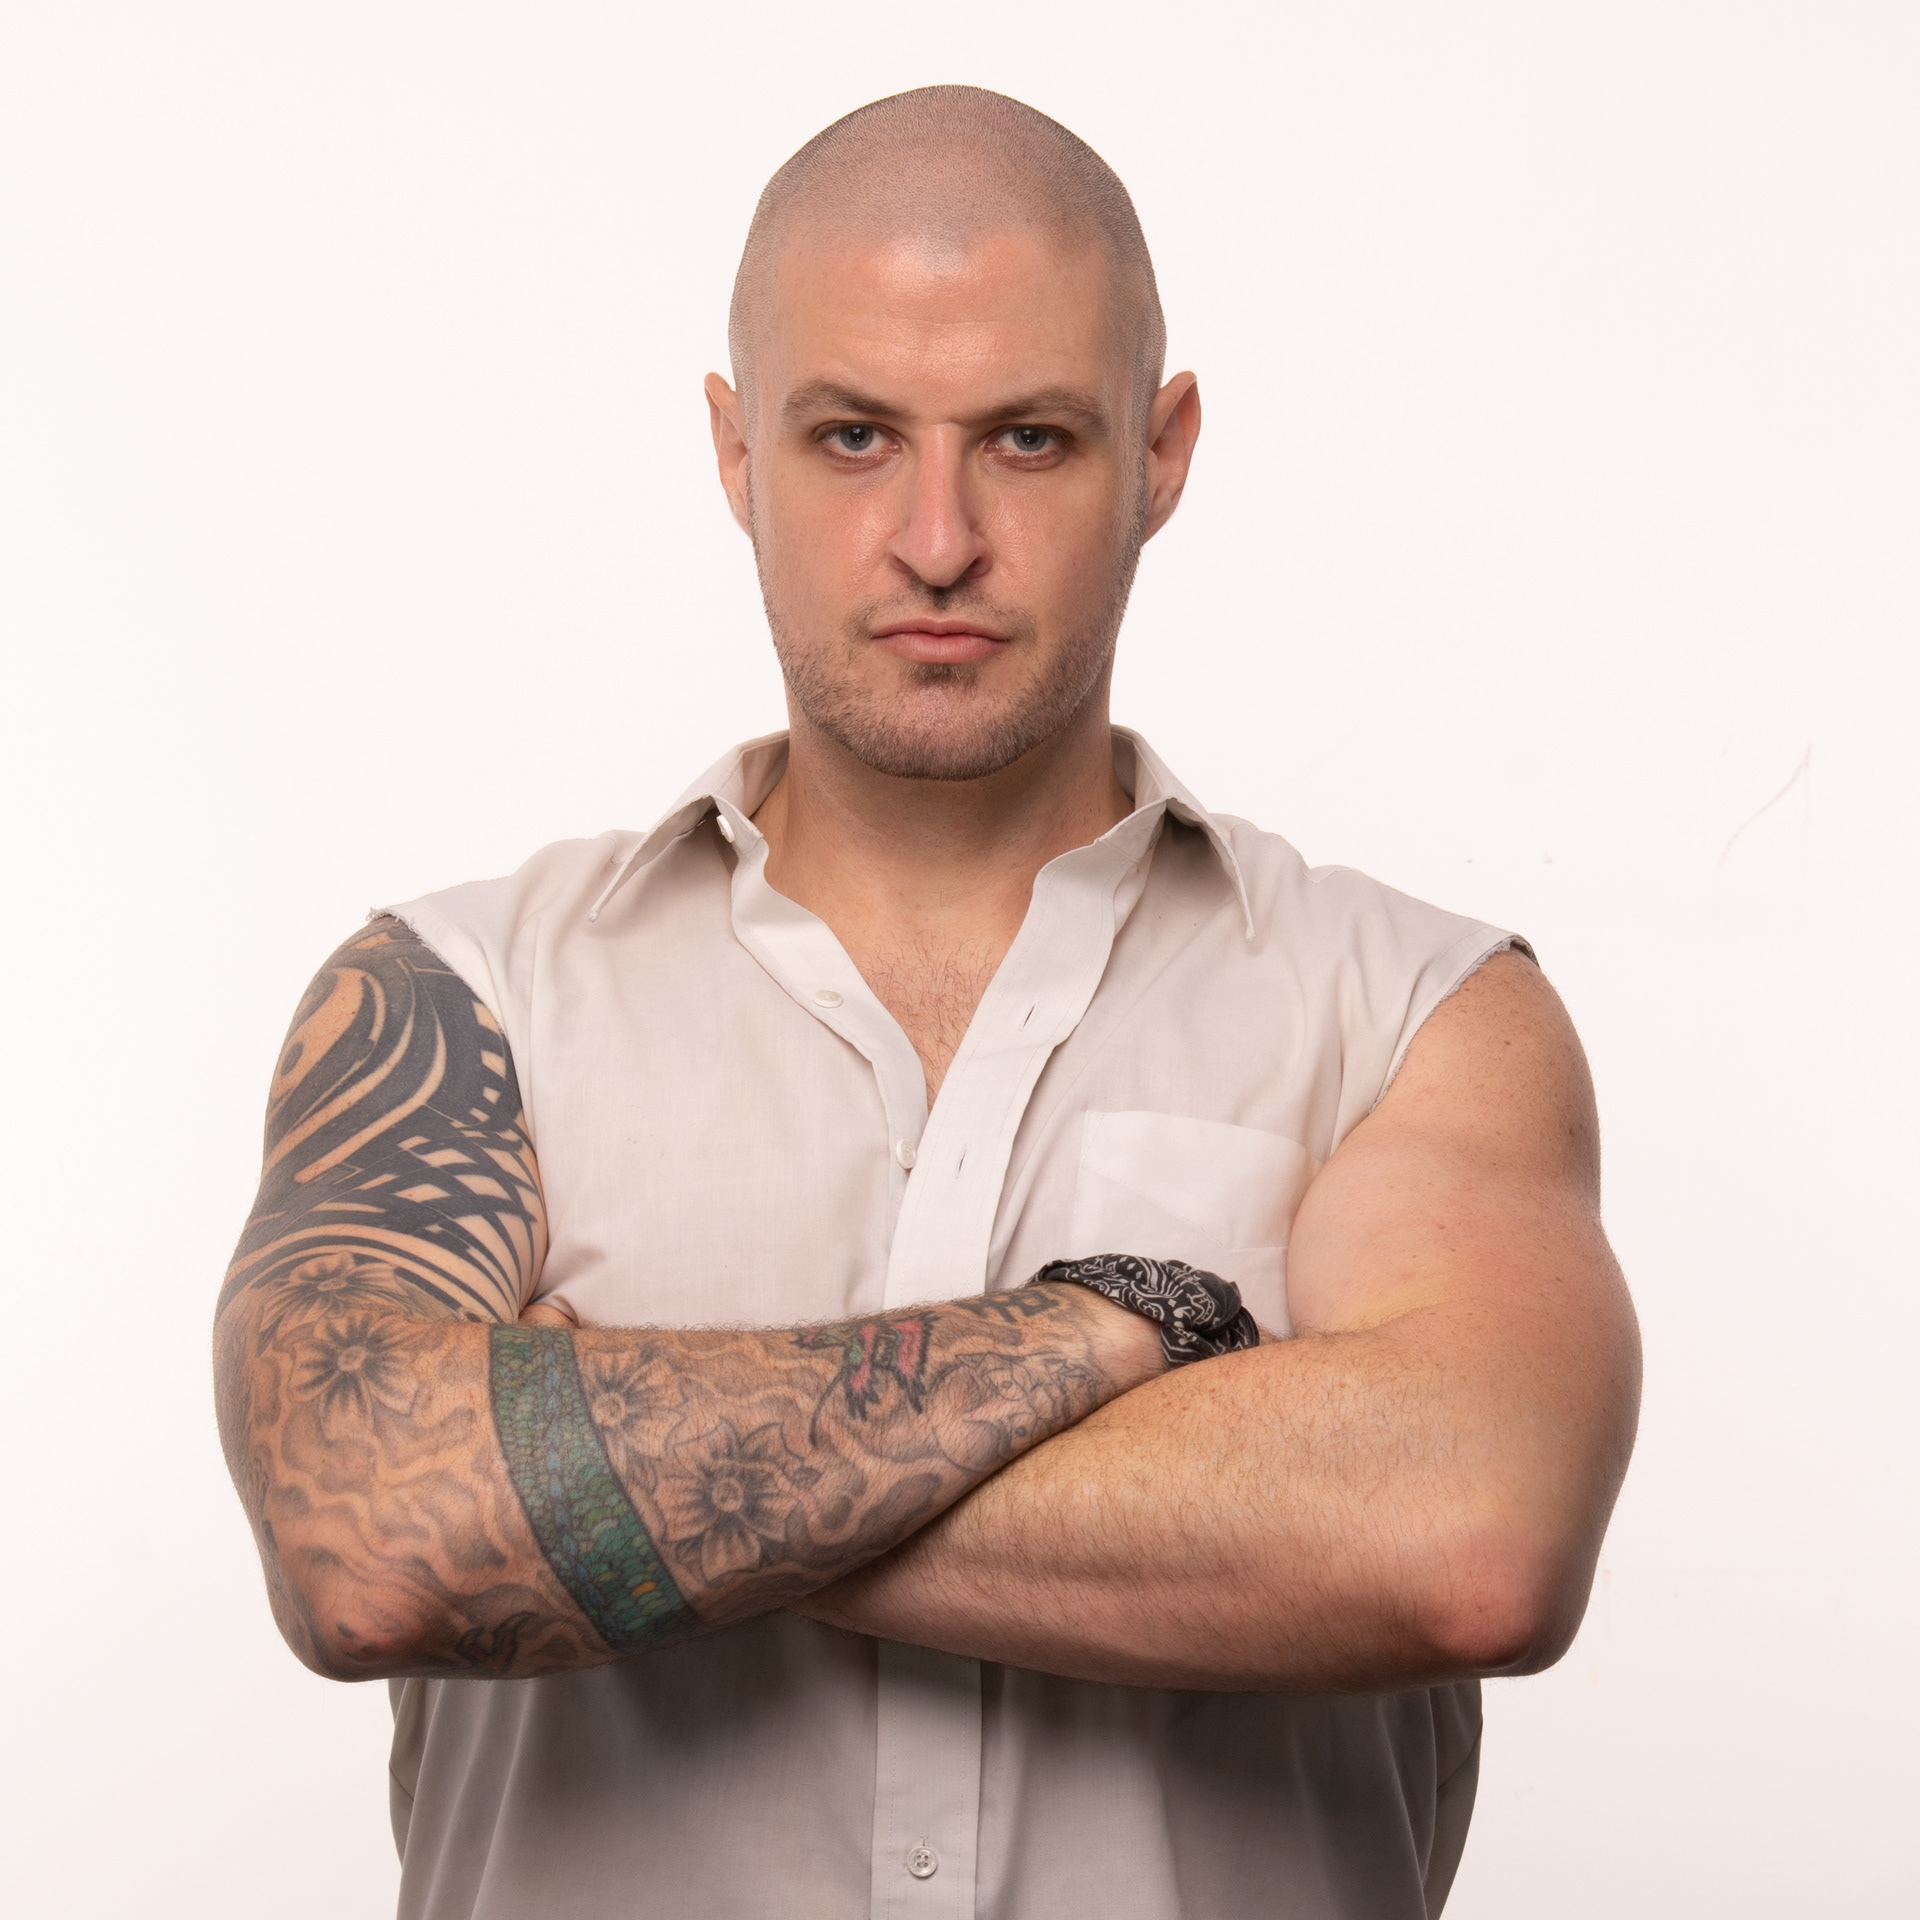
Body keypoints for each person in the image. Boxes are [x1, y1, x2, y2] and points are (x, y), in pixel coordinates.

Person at [214, 84, 1640, 1920]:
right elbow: (370, 1542)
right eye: (853, 436)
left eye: (1031, 439)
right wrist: (1104, 1336)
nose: (940, 536)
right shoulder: (463, 998)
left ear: (1162, 453)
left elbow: (1471, 1536)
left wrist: (582, 1467)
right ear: (736, 451)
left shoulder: (1420, 1015)